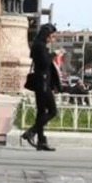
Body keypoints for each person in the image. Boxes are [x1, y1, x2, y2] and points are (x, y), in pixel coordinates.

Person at [21, 23, 61, 151]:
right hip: (42, 83)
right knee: (53, 111)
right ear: (46, 35)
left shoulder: (40, 46)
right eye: (52, 36)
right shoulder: (39, 46)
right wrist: (55, 54)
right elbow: (44, 63)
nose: (52, 39)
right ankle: (31, 132)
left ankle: (41, 141)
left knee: (41, 112)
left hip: (42, 82)